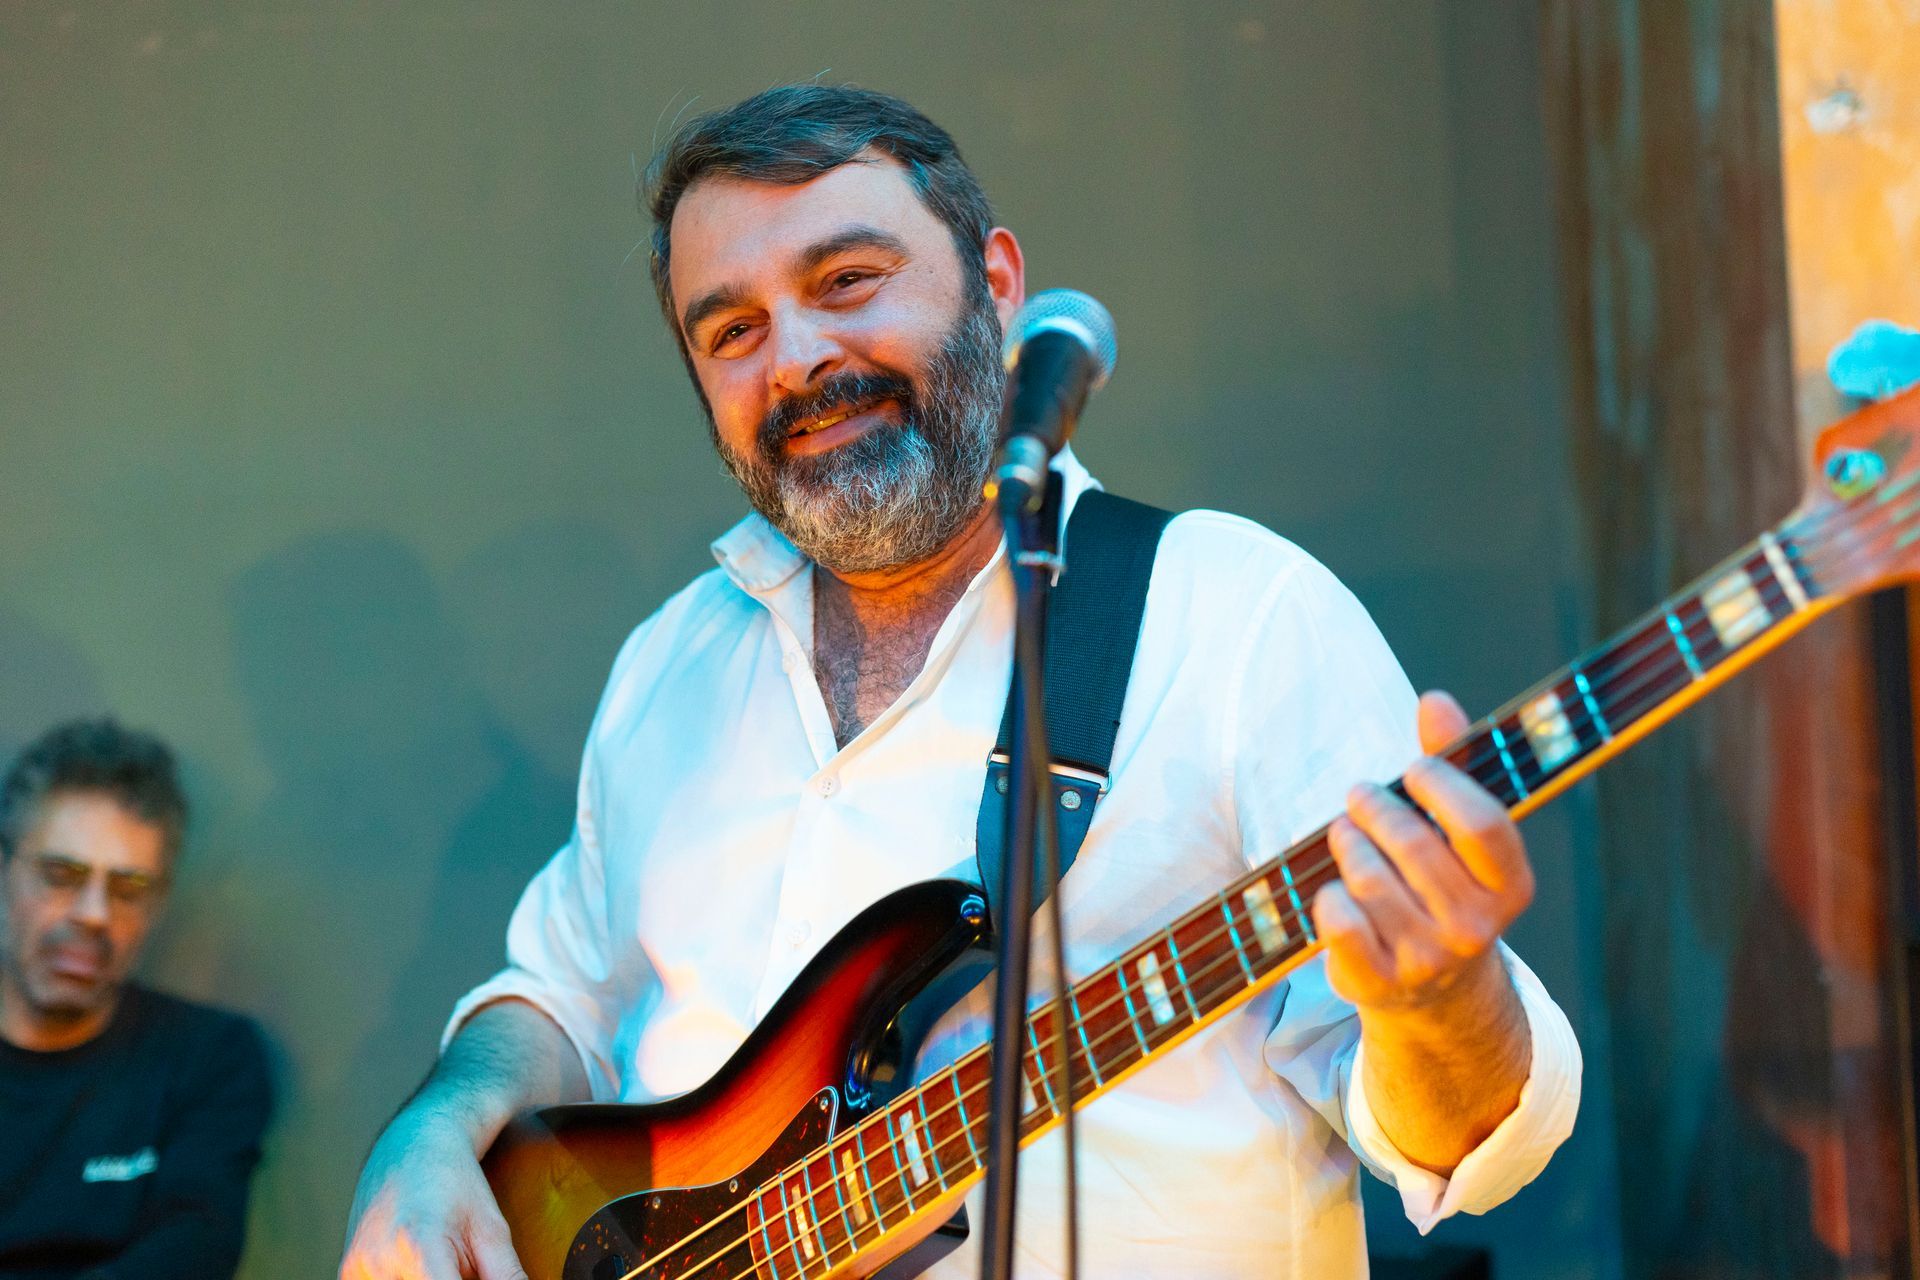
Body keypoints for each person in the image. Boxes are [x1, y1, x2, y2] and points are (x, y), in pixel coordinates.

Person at [340, 85, 1581, 1279]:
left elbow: (1455, 1137)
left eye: (847, 281)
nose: (800, 356)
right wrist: (434, 1128)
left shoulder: (1237, 614)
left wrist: (1440, 998)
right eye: (733, 330)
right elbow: (561, 988)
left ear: (996, 285)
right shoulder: (673, 659)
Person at [0, 718, 273, 1279]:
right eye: (61, 875)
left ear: (158, 907)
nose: (94, 915)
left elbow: (195, 1250)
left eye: (128, 889)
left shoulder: (209, 1058)